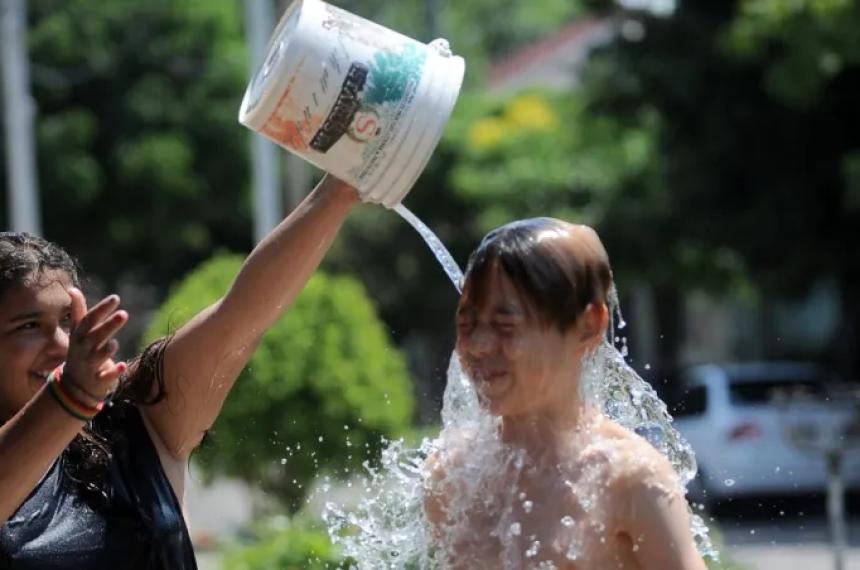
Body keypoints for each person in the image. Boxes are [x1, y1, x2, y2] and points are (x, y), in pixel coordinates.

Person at [0, 174, 400, 569]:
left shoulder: (132, 422)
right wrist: (72, 396)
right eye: (29, 327)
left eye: (71, 321)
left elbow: (240, 317)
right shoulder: (74, 399)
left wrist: (338, 192)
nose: (62, 345)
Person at [424, 217, 707, 570]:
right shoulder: (452, 473)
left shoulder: (629, 477)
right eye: (467, 325)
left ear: (587, 327)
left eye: (505, 326)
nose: (478, 345)